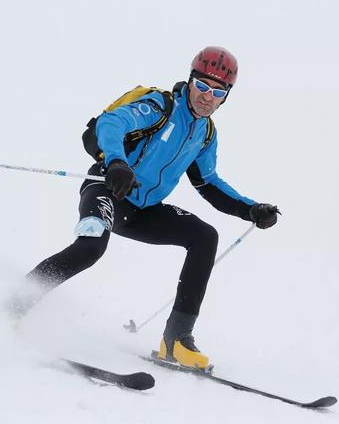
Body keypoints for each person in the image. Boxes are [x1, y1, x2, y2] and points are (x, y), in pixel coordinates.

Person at [22, 46, 280, 370]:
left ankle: (177, 341)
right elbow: (111, 122)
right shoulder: (160, 106)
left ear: (225, 97)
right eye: (201, 86)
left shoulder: (205, 134)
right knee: (90, 248)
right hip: (108, 189)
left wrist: (251, 209)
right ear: (190, 81)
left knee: (204, 237)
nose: (206, 97)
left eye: (217, 91)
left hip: (142, 212)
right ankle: (14, 304)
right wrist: (117, 162)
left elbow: (209, 182)